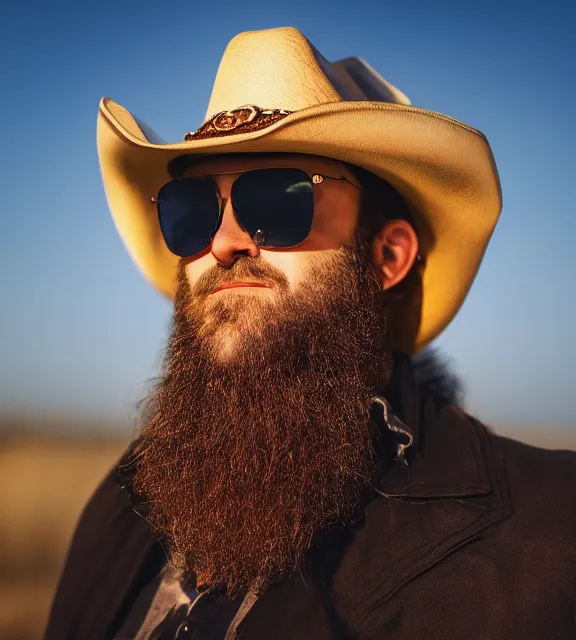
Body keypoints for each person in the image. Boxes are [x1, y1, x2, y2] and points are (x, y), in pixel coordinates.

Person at [45, 27, 576, 640]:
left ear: (388, 256)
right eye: (192, 210)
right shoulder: (130, 497)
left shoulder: (549, 536)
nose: (223, 243)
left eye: (276, 200)